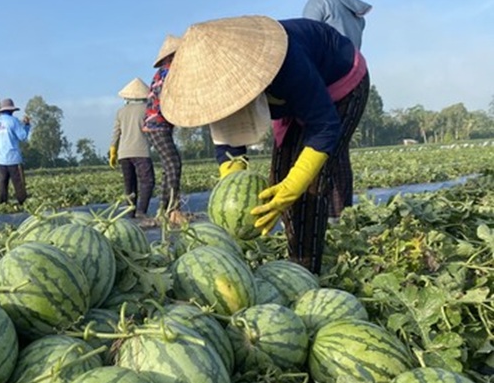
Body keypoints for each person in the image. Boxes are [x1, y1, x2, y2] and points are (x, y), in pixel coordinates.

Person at [162, 16, 369, 274]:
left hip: (342, 84)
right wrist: (233, 179)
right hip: (291, 97)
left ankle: (307, 274)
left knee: (308, 187)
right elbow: (226, 136)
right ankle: (301, 255)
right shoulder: (221, 83)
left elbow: (324, 125)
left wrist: (296, 184)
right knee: (278, 179)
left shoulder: (287, 61)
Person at [143, 34, 185, 224]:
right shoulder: (168, 73)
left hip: (156, 126)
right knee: (174, 163)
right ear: (173, 56)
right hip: (157, 125)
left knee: (170, 166)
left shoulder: (162, 73)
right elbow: (166, 102)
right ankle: (173, 209)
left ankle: (165, 209)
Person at [109, 78, 155, 219]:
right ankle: (141, 211)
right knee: (147, 181)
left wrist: (113, 151)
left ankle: (130, 213)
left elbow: (116, 133)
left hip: (124, 154)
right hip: (141, 151)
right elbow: (152, 129)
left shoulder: (121, 112)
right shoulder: (147, 110)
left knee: (130, 185)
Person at [0, 98, 31, 206]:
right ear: (12, 110)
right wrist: (26, 126)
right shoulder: (13, 121)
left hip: (0, 158)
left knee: (3, 183)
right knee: (18, 183)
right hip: (13, 158)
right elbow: (22, 136)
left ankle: (2, 204)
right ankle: (23, 203)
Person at [303, 0, 372, 50]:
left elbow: (308, 40)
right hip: (354, 64)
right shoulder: (356, 10)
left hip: (328, 65)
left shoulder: (319, 2)